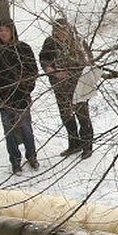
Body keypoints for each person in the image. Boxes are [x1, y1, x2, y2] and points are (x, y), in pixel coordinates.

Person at [0, 20, 39, 174]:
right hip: (3, 97)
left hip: (21, 96)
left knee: (26, 128)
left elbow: (33, 70)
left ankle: (31, 155)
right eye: (0, 31)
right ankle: (15, 160)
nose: (3, 34)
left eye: (6, 30)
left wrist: (26, 87)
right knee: (9, 131)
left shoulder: (22, 48)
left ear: (12, 31)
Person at [39, 17, 95, 158]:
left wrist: (73, 74)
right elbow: (43, 59)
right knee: (66, 115)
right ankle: (74, 143)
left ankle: (87, 145)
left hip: (80, 84)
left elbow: (89, 63)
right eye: (57, 30)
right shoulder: (50, 43)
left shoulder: (78, 43)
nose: (60, 33)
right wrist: (51, 71)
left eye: (63, 30)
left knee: (83, 116)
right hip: (61, 86)